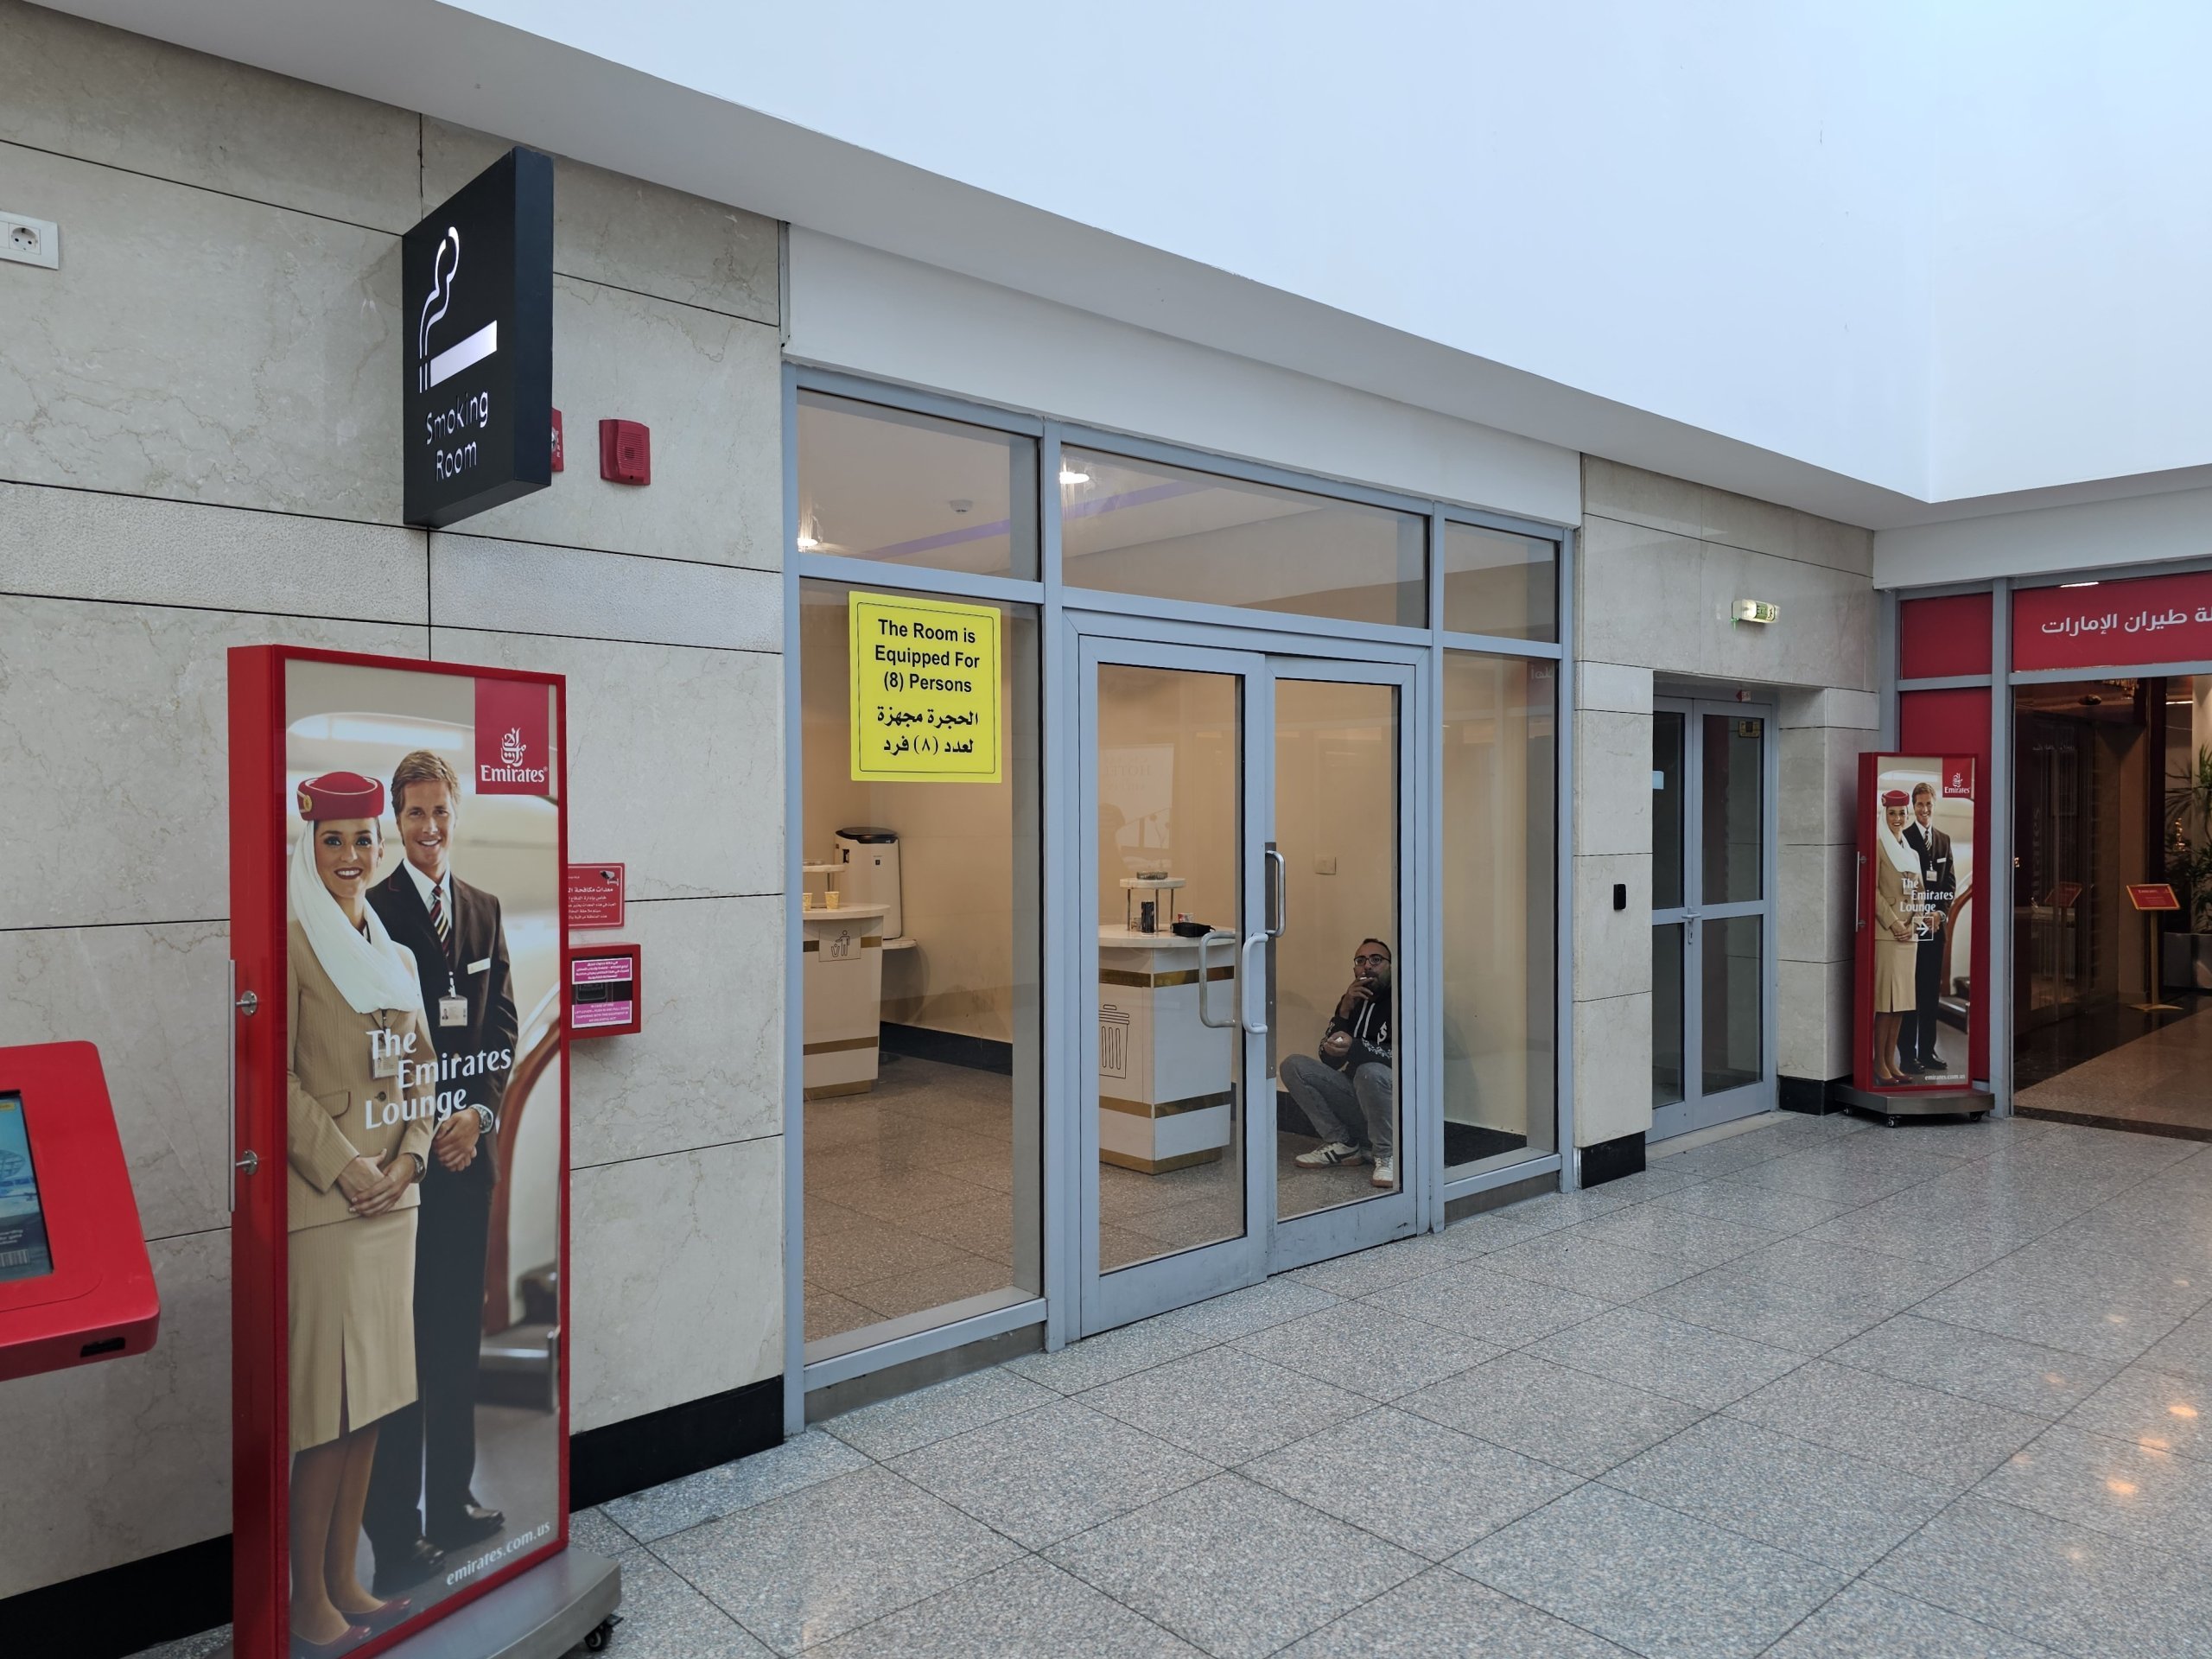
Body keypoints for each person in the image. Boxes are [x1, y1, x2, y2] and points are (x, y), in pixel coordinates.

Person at [285, 772, 436, 1655]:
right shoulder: (290, 943)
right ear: (308, 845)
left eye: (363, 839)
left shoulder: (396, 954)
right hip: (329, 1205)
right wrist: (348, 1168)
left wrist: (409, 1160)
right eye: (334, 840)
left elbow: (423, 1069)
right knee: (326, 1413)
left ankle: (346, 1579)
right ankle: (307, 1600)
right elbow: (276, 1081)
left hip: (394, 1200)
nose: (352, 855)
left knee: (374, 1400)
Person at [364, 752, 519, 1594]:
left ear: (458, 813)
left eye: (440, 811)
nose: (429, 827)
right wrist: (427, 1132)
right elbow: (375, 1045)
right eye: (415, 813)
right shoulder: (373, 911)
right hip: (407, 1166)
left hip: (468, 1159)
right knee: (401, 1353)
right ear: (397, 820)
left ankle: (452, 1502)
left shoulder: (485, 911)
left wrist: (479, 1115)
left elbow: (502, 1026)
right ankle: (394, 1532)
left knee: (457, 1339)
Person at [1284, 938, 1397, 1189]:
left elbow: (1404, 1057)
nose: (1367, 966)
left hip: (1395, 1101)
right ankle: (1343, 1144)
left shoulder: (1404, 1000)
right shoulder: (1351, 1001)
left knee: (1369, 1072)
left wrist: (1355, 1047)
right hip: (1356, 1092)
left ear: (1390, 966)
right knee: (1293, 1066)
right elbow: (1328, 1061)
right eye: (1361, 961)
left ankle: (1388, 1155)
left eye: (1376, 960)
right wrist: (1344, 1011)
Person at [1902, 782, 1956, 1074]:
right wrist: (1918, 914)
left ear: (1935, 806)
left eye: (1928, 804)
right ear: (1913, 806)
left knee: (1930, 994)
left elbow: (1950, 883)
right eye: (1920, 804)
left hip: (1935, 929)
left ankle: (1927, 1051)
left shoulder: (1944, 840)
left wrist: (1940, 913)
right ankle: (1907, 1055)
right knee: (1910, 993)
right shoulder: (1904, 838)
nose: (1924, 809)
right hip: (1912, 927)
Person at [1872, 790, 1923, 1086]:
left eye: (1902, 813)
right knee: (1885, 1003)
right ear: (1885, 814)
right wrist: (1894, 923)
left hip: (1908, 938)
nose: (1898, 818)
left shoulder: (1912, 853)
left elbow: (1920, 893)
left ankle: (1891, 1061)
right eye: (1892, 813)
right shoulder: (1878, 847)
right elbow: (1873, 891)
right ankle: (1879, 1062)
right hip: (1887, 935)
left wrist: (1913, 924)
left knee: (1902, 1003)